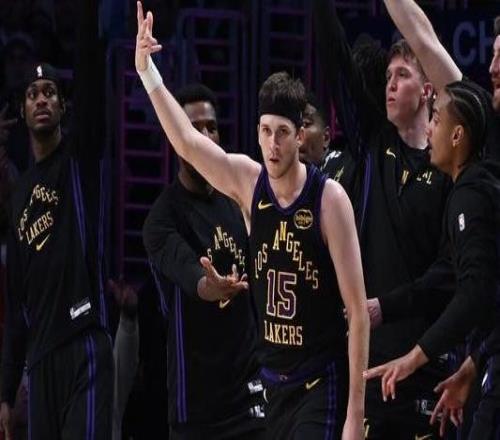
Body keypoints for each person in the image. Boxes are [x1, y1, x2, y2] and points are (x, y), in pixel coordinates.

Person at [135, 2, 369, 438]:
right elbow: (186, 142)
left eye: (282, 133)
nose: (272, 144)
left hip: (322, 380)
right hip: (273, 386)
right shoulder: (248, 181)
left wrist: (356, 413)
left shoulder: (329, 199)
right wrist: (148, 72)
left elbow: (357, 312)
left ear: (300, 135)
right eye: (265, 131)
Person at [312, 1, 451, 437]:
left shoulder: (450, 168)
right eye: (388, 76)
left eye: (402, 75)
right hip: (372, 366)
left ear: (428, 90)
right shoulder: (373, 144)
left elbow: (450, 272)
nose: (390, 84)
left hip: (429, 364)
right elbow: (337, 63)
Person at [0, 1, 113, 439]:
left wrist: (87, 13)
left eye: (50, 92)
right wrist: (6, 392)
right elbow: (16, 304)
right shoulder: (19, 194)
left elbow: (90, 75)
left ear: (63, 107)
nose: (42, 99)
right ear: (23, 110)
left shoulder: (79, 159)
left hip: (84, 340)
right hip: (40, 358)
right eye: (33, 94)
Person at [364, 79, 500, 439]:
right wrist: (472, 367)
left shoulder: (471, 197)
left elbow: (476, 293)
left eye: (436, 120)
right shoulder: (473, 189)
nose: (428, 129)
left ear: (457, 136)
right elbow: (449, 281)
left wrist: (413, 358)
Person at [143, 83, 265, 440]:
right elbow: (189, 272)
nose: (206, 137)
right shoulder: (162, 219)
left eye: (212, 127)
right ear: (176, 137)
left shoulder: (238, 199)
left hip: (250, 389)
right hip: (197, 405)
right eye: (194, 128)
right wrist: (211, 287)